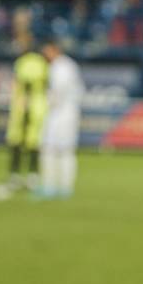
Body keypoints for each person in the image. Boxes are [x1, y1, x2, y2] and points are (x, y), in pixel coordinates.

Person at [39, 41, 85, 198]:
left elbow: (58, 91)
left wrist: (47, 102)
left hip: (61, 113)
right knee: (59, 149)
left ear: (54, 50)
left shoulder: (61, 66)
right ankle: (57, 186)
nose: (45, 55)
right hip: (65, 112)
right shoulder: (67, 65)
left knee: (56, 149)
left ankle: (55, 186)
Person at [5, 44, 49, 189]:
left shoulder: (23, 62)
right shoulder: (42, 62)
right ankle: (32, 175)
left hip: (24, 104)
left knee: (18, 140)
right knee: (33, 141)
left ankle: (15, 175)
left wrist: (25, 101)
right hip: (38, 104)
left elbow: (24, 82)